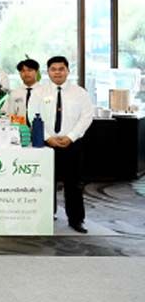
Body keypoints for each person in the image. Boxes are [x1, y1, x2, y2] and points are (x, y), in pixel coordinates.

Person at [27, 56, 93, 233]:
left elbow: (86, 116)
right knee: (46, 182)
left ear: (68, 71)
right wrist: (48, 137)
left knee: (74, 184)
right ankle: (47, 215)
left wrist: (71, 137)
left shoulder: (80, 93)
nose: (57, 72)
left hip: (72, 144)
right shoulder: (39, 92)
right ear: (48, 72)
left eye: (61, 69)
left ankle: (76, 220)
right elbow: (32, 115)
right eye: (53, 69)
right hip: (47, 144)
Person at [7, 58, 42, 124]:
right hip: (20, 128)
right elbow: (10, 115)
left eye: (29, 70)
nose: (26, 73)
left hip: (40, 128)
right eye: (23, 71)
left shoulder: (44, 92)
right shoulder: (14, 93)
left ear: (36, 72)